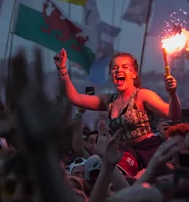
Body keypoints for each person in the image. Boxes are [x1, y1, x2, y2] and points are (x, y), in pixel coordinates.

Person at [54, 49, 182, 169]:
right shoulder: (109, 100)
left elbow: (173, 115)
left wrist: (172, 94)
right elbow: (74, 98)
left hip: (149, 152)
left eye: (125, 67)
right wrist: (62, 68)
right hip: (124, 155)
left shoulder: (142, 95)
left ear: (134, 73)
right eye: (114, 68)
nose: (118, 70)